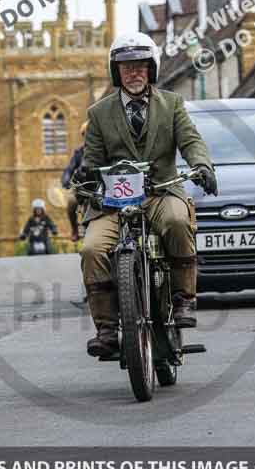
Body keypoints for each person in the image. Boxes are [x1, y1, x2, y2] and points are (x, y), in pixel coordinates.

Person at [80, 32, 217, 358]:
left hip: (160, 191)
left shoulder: (172, 104)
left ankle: (184, 299)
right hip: (116, 198)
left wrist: (202, 165)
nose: (134, 72)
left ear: (151, 68)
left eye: (140, 65)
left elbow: (191, 140)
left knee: (177, 221)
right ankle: (107, 329)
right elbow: (92, 157)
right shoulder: (99, 113)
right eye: (127, 67)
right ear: (117, 72)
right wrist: (87, 171)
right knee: (92, 248)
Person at [62, 122, 88, 242]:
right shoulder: (79, 152)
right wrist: (66, 180)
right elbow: (69, 169)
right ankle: (74, 228)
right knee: (71, 202)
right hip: (82, 186)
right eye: (85, 134)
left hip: (101, 187)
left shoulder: (104, 149)